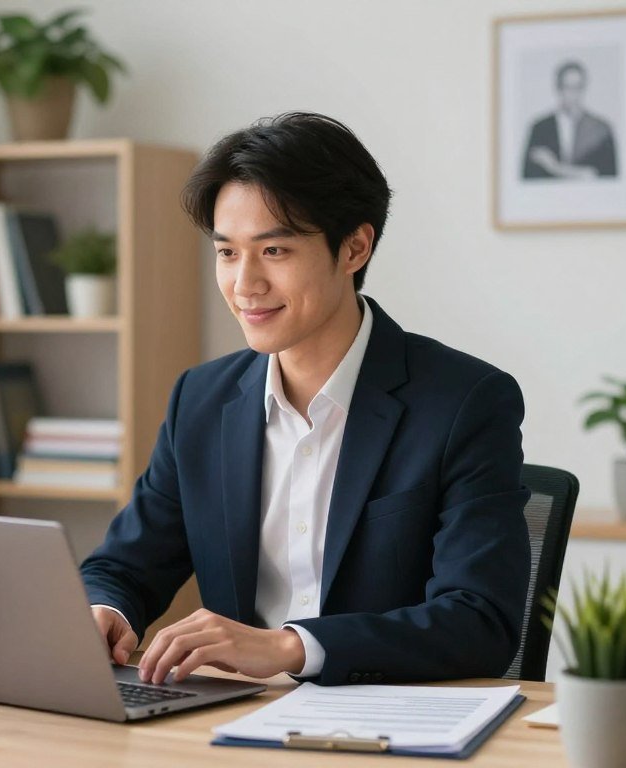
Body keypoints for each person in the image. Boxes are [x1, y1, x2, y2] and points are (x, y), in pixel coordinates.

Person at [81, 112, 530, 687]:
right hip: (229, 721)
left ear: (355, 248)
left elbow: (480, 622)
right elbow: (122, 565)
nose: (244, 284)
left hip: (387, 728)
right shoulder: (200, 399)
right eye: (226, 253)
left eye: (274, 252)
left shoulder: (465, 402)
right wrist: (107, 611)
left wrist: (292, 648)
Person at [522, 60, 618, 179]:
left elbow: (608, 177)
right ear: (558, 89)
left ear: (584, 88)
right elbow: (528, 178)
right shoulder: (539, 128)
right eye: (567, 87)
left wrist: (555, 167)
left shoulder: (601, 129)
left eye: (578, 87)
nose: (573, 94)